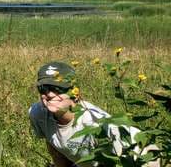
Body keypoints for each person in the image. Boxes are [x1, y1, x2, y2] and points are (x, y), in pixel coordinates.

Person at [28, 61, 159, 167]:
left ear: (75, 93)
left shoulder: (96, 124)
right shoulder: (37, 113)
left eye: (57, 88)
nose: (49, 94)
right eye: (43, 88)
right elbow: (55, 147)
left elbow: (120, 161)